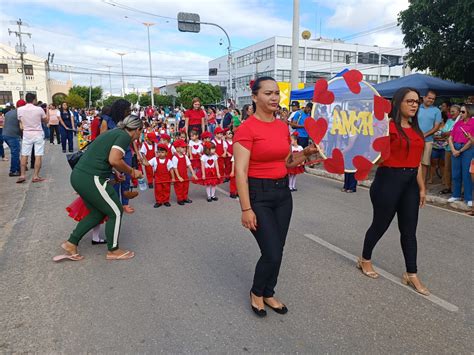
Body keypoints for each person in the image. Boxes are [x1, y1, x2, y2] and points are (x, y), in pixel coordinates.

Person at [234, 77, 318, 317]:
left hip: (282, 194)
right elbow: (240, 171)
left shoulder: (282, 126)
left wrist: (306, 153)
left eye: (276, 93)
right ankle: (257, 292)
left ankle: (269, 292)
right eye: (268, 93)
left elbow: (287, 162)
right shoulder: (246, 129)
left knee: (278, 248)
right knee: (270, 251)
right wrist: (246, 208)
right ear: (254, 97)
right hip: (258, 195)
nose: (274, 97)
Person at [358, 87, 429, 296]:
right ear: (398, 103)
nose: (415, 104)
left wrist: (423, 188)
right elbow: (375, 159)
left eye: (417, 101)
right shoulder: (386, 127)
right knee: (380, 225)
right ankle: (365, 259)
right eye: (410, 101)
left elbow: (416, 164)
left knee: (409, 231)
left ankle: (411, 273)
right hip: (388, 180)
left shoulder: (417, 131)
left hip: (410, 185)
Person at [58, 115, 144, 261]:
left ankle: (71, 243)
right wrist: (132, 171)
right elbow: (114, 159)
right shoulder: (124, 136)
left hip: (80, 176)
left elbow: (103, 157)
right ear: (136, 130)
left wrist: (115, 173)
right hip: (92, 178)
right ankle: (113, 250)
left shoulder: (114, 132)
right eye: (140, 132)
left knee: (97, 213)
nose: (139, 136)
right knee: (115, 211)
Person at [16, 93, 48, 184]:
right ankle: (35, 176)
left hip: (26, 134)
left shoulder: (20, 110)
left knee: (24, 154)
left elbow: (21, 121)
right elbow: (46, 120)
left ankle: (22, 175)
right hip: (38, 133)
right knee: (38, 155)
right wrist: (47, 111)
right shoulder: (39, 109)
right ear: (34, 100)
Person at [447, 104, 473, 207]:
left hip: (467, 149)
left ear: (469, 112)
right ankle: (456, 194)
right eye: (461, 112)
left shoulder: (473, 123)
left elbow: (471, 141)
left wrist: (460, 150)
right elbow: (450, 137)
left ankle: (469, 197)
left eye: (463, 112)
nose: (461, 114)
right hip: (456, 147)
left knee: (467, 174)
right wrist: (453, 149)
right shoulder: (458, 123)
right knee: (456, 173)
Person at [417, 90, 442, 182]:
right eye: (429, 98)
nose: (431, 100)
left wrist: (424, 135)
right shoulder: (416, 108)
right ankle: (413, 183)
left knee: (425, 163)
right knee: (415, 161)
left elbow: (436, 127)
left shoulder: (437, 111)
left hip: (428, 140)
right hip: (415, 139)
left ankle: (422, 184)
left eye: (433, 99)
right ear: (424, 97)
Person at [439, 105, 461, 194]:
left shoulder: (461, 122)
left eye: (453, 111)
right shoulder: (448, 121)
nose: (451, 113)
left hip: (459, 149)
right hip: (448, 148)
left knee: (458, 169)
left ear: (459, 112)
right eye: (450, 111)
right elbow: (442, 134)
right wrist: (450, 133)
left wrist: (449, 133)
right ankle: (448, 187)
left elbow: (454, 133)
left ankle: (459, 188)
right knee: (447, 168)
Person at [172, 139, 197, 205]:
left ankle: (185, 197)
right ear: (177, 148)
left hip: (185, 174)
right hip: (179, 175)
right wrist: (178, 176)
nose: (184, 149)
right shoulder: (175, 157)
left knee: (186, 186)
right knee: (179, 187)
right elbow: (175, 168)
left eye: (185, 147)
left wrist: (193, 174)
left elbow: (189, 165)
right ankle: (180, 199)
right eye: (182, 147)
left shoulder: (185, 156)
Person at [3, 100, 24, 176]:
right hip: (13, 135)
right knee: (15, 153)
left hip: (5, 134)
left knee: (15, 151)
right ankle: (13, 170)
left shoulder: (8, 113)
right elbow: (22, 127)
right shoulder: (20, 114)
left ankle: (18, 168)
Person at [149, 144, 175, 208]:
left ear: (166, 153)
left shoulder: (169, 161)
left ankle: (166, 201)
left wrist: (173, 178)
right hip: (158, 179)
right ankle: (159, 201)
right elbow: (147, 163)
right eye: (159, 152)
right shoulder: (154, 159)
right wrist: (142, 160)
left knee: (166, 190)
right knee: (158, 190)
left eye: (162, 152)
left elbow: (171, 170)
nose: (160, 154)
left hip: (166, 179)